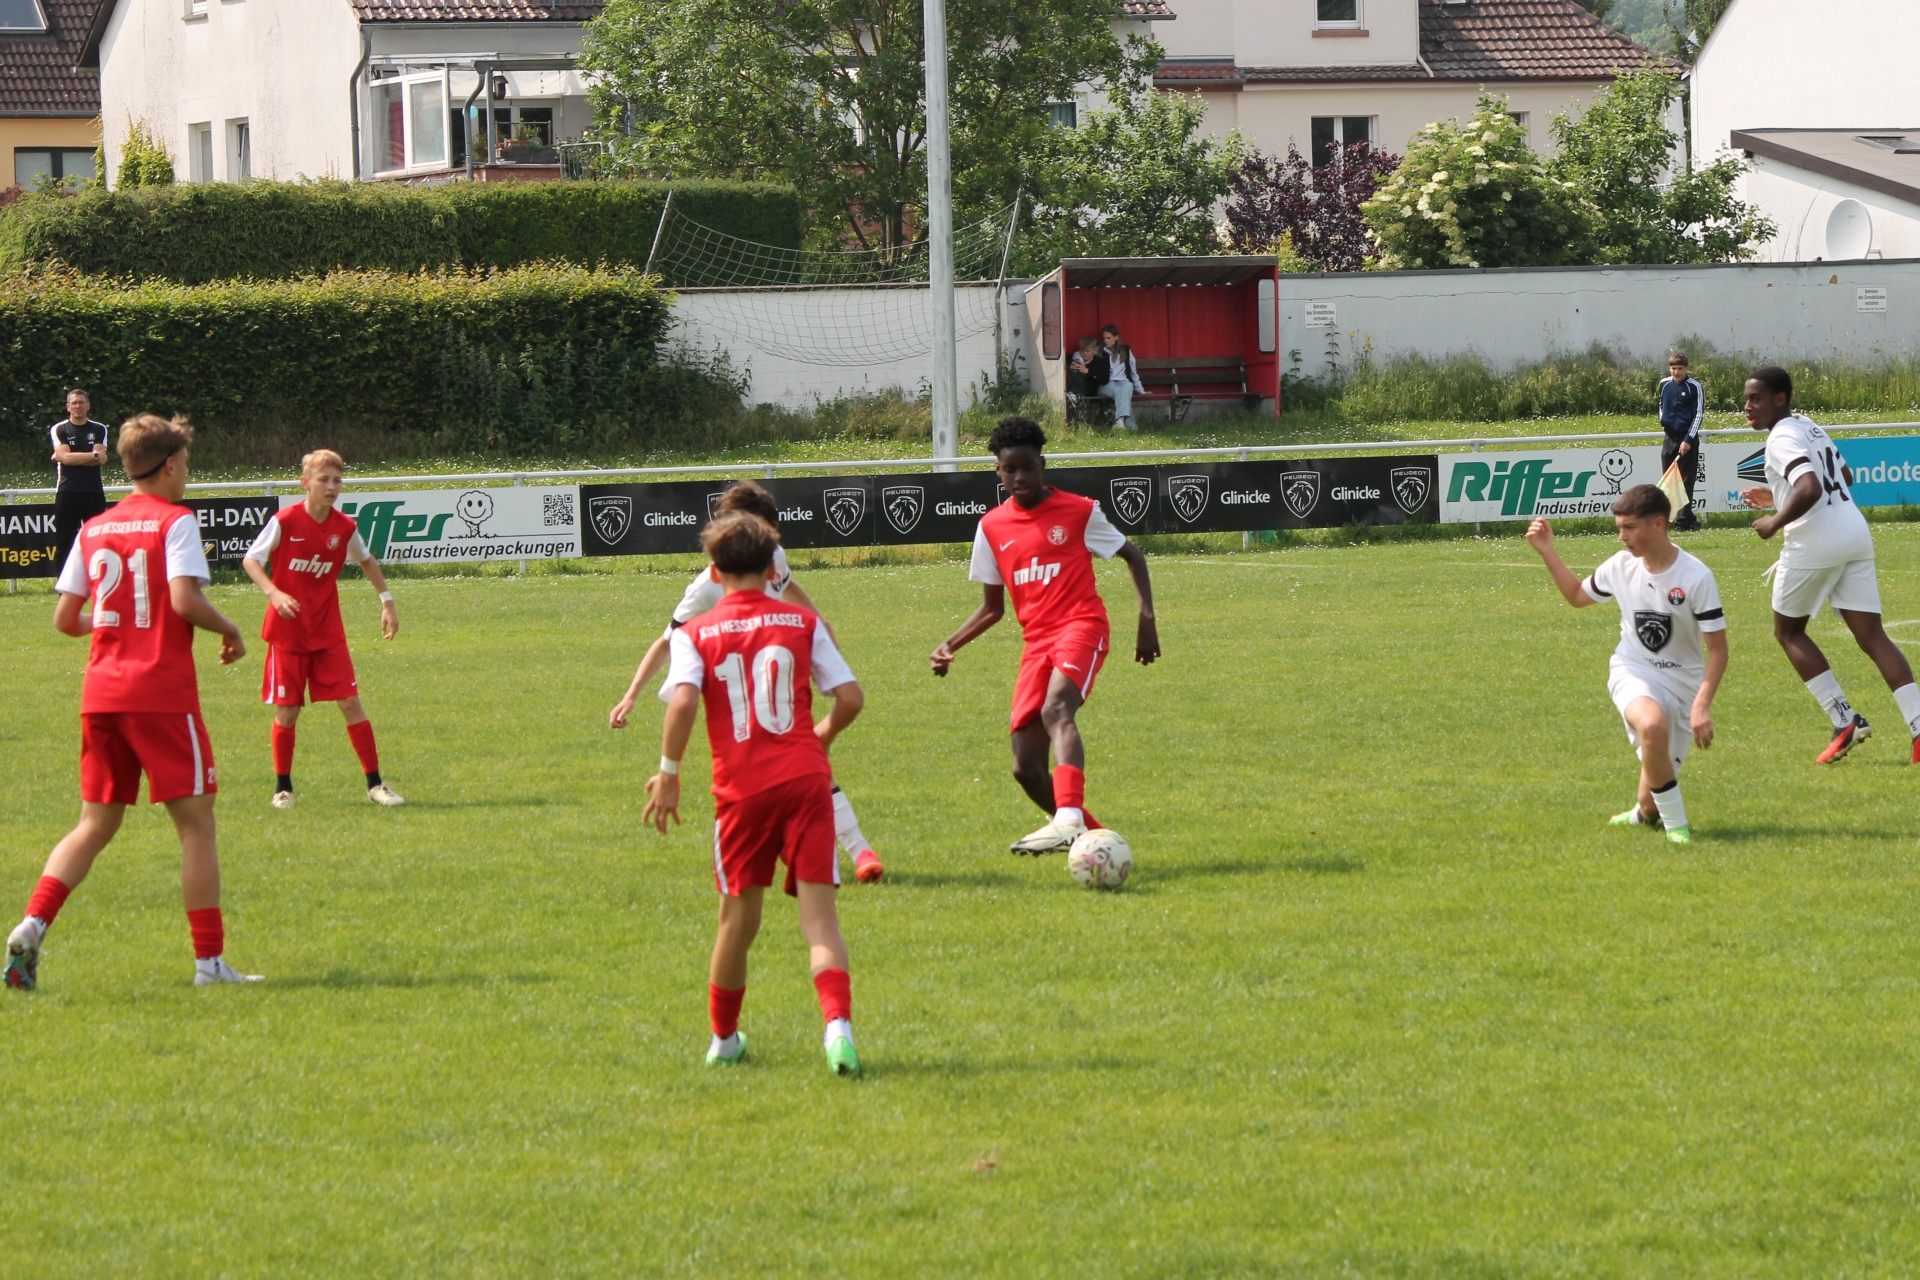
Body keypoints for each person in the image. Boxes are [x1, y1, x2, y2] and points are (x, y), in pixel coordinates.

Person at [5, 414, 260, 991]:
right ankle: (209, 964)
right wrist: (230, 629)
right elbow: (185, 601)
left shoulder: (95, 527)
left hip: (101, 694)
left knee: (95, 823)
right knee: (196, 826)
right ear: (169, 465)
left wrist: (115, 622)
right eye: (186, 463)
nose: (187, 473)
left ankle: (32, 923)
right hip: (159, 694)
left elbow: (65, 619)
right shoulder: (176, 520)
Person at [642, 510, 867, 1075]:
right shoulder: (802, 622)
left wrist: (668, 773)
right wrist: (820, 737)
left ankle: (724, 1040)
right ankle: (837, 1031)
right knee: (820, 923)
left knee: (737, 924)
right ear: (773, 569)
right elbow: (850, 697)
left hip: (742, 791)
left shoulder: (694, 634)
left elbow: (683, 700)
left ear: (714, 573)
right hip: (806, 782)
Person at [610, 480, 883, 883]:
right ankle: (838, 848)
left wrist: (819, 620)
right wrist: (631, 694)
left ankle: (851, 850)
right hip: (740, 687)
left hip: (780, 673)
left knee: (797, 758)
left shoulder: (773, 557)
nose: (764, 543)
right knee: (793, 760)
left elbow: (787, 584)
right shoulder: (708, 586)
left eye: (769, 535)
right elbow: (668, 640)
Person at [930, 416, 1160, 853]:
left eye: (1028, 467)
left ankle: (1068, 819)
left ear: (1043, 464)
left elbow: (1133, 556)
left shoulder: (1079, 511)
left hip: (1081, 625)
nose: (1019, 477)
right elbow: (993, 608)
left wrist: (1146, 618)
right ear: (997, 471)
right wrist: (950, 643)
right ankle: (1094, 840)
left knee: (1057, 709)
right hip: (1036, 642)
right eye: (1010, 469)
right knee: (1025, 766)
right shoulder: (991, 527)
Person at [1526, 485, 1727, 844]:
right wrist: (1547, 551)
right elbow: (1577, 597)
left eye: (1630, 527)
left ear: (1659, 524)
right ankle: (1678, 829)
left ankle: (1643, 814)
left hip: (1683, 685)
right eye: (1620, 527)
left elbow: (1718, 651)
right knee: (1651, 725)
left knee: (1650, 805)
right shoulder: (1620, 566)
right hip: (1632, 669)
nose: (1622, 537)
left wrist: (1701, 704)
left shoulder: (1696, 577)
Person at [1738, 365, 1920, 763]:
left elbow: (1809, 487)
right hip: (1853, 530)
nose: (1747, 406)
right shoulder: (1807, 425)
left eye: (1756, 399)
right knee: (1873, 636)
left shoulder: (1780, 436)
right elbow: (1845, 476)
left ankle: (1844, 719)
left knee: (1788, 632)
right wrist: (1777, 494)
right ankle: (1919, 726)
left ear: (1780, 399)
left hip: (1816, 539)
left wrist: (1773, 521)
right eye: (1746, 399)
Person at [242, 449, 404, 809]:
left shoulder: (344, 527)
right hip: (287, 633)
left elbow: (367, 560)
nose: (332, 487)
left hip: (327, 631)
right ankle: (283, 788)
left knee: (350, 702)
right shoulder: (285, 521)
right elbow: (252, 560)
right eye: (324, 480)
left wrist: (387, 601)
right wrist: (274, 592)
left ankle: (376, 785)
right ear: (305, 483)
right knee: (288, 712)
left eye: (337, 480)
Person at [49, 389, 111, 577]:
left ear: (88, 405)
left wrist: (71, 457)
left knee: (98, 540)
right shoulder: (60, 429)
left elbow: (101, 459)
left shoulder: (99, 429)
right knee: (65, 541)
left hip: (93, 491)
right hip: (68, 491)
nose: (78, 406)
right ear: (68, 407)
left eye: (81, 402)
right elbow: (66, 459)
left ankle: (99, 582)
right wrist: (92, 456)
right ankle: (64, 586)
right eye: (74, 403)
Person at [1658, 353, 1705, 531]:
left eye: (1679, 368)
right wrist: (1663, 422)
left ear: (1686, 368)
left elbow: (1698, 414)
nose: (1676, 372)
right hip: (1669, 438)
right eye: (1673, 368)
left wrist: (1688, 439)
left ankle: (1683, 522)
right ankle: (1685, 518)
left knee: (1686, 481)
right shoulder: (1664, 384)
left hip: (1687, 439)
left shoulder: (1694, 386)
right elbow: (1661, 405)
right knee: (1669, 481)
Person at [1097, 325, 1147, 432]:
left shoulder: (1126, 350)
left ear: (1116, 337)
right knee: (1123, 394)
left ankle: (1120, 422)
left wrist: (1141, 391)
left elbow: (1133, 373)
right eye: (1104, 338)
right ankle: (1130, 426)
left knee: (1127, 385)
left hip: (1123, 383)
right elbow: (1081, 353)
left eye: (1109, 338)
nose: (1106, 341)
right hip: (1106, 384)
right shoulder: (1099, 350)